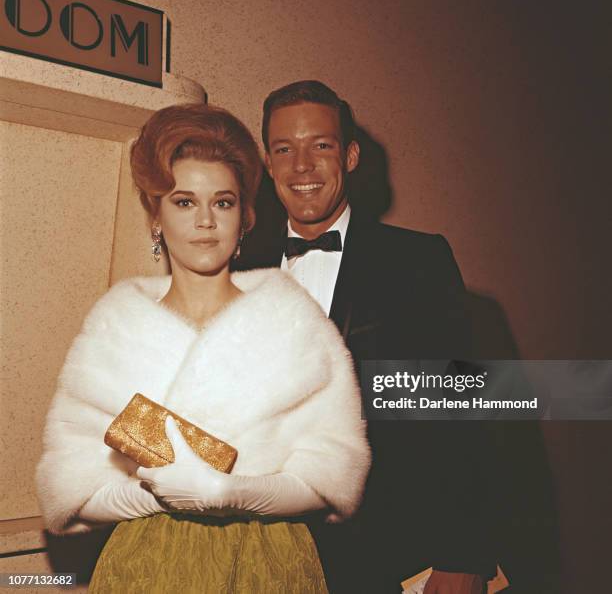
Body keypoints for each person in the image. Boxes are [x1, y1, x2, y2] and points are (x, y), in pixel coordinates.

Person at [35, 103, 371, 593]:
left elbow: (332, 481)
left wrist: (230, 493)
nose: (206, 221)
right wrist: (152, 498)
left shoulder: (294, 320)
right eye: (185, 202)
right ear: (156, 215)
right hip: (144, 565)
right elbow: (72, 487)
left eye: (224, 202)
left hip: (268, 563)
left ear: (245, 217)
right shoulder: (116, 324)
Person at [235, 80, 497, 593]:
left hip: (389, 556)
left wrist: (462, 554)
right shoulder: (237, 268)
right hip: (266, 555)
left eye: (321, 146)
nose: (302, 166)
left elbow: (464, 414)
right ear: (267, 163)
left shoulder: (419, 262)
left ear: (351, 156)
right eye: (284, 149)